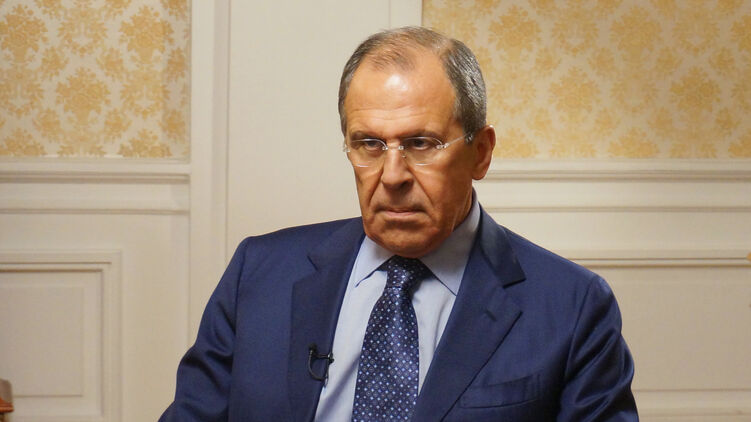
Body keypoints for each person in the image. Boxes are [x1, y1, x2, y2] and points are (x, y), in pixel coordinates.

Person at [160, 26, 637, 421]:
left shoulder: (571, 306)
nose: (392, 176)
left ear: (481, 153)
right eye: (369, 144)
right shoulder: (259, 273)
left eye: (421, 144)